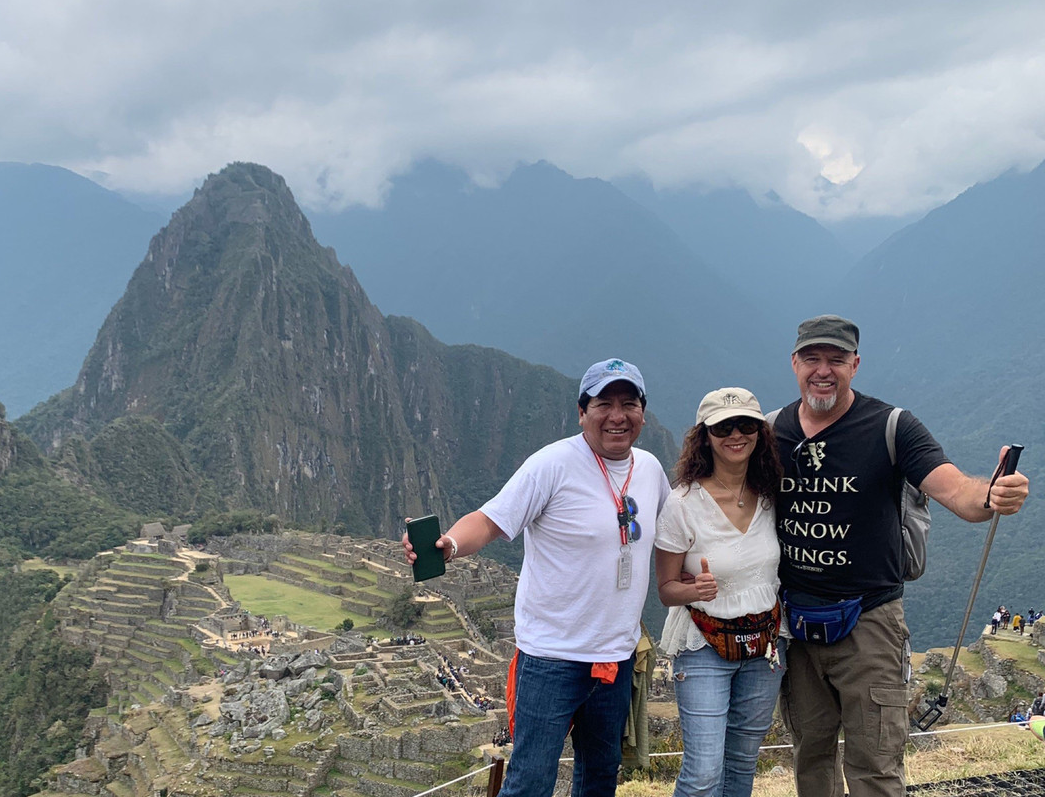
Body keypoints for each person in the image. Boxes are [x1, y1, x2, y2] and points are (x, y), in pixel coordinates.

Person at [770, 315, 1030, 797]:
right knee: (811, 760)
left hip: (869, 624)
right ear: (794, 363)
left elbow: (956, 491)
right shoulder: (770, 431)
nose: (822, 370)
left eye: (836, 359)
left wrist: (992, 493)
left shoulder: (891, 426)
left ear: (856, 364)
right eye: (812, 358)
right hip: (796, 626)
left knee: (875, 767)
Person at [402, 358, 671, 797]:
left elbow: (673, 534)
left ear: (643, 411)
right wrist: (447, 545)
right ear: (582, 412)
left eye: (630, 403)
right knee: (530, 780)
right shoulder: (552, 465)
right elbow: (489, 520)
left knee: (600, 775)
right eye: (605, 403)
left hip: (616, 656)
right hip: (551, 657)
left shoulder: (651, 470)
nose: (618, 415)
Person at [655, 387, 785, 797]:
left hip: (764, 645)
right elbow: (666, 590)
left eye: (746, 425)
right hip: (704, 645)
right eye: (723, 426)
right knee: (704, 772)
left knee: (742, 763)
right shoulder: (682, 504)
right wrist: (694, 588)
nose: (736, 434)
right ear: (705, 435)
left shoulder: (770, 495)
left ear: (760, 433)